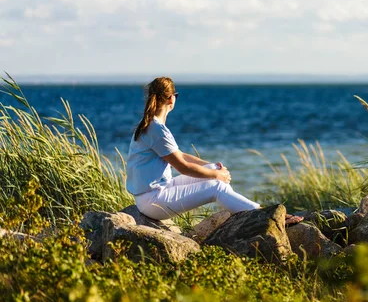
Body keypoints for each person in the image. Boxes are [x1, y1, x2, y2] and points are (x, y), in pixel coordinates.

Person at [125, 76, 303, 225]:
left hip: (156, 192)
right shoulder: (156, 129)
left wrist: (212, 167)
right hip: (154, 200)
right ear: (172, 99)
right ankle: (265, 216)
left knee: (214, 172)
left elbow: (179, 155)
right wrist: (217, 176)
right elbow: (183, 167)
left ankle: (244, 210)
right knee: (216, 186)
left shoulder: (152, 126)